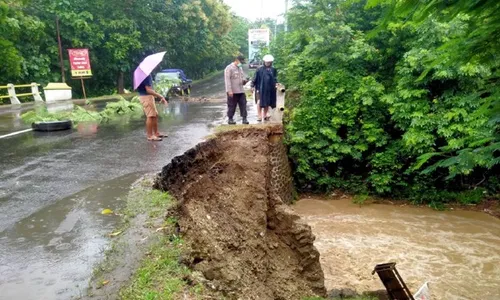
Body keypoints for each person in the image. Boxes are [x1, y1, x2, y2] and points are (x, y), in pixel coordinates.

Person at [137, 74, 168, 141]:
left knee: (155, 115)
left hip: (147, 96)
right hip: (146, 97)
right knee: (150, 116)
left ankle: (156, 133)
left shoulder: (142, 75)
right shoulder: (146, 76)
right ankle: (150, 135)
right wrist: (160, 96)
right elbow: (148, 90)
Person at [252, 54, 277, 122]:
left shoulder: (273, 69)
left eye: (269, 62)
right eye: (266, 62)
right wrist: (252, 86)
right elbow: (255, 78)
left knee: (267, 102)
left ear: (271, 62)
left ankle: (265, 114)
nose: (267, 63)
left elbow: (275, 79)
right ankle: (259, 115)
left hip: (269, 89)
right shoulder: (259, 69)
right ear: (264, 62)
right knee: (259, 101)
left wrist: (276, 84)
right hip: (260, 88)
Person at [224, 54, 249, 125]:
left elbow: (242, 79)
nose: (241, 64)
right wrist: (229, 91)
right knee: (232, 105)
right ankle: (230, 119)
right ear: (237, 60)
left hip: (241, 90)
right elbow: (227, 80)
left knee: (243, 104)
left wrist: (245, 81)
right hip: (233, 91)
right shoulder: (229, 68)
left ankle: (244, 118)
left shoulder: (240, 68)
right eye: (241, 62)